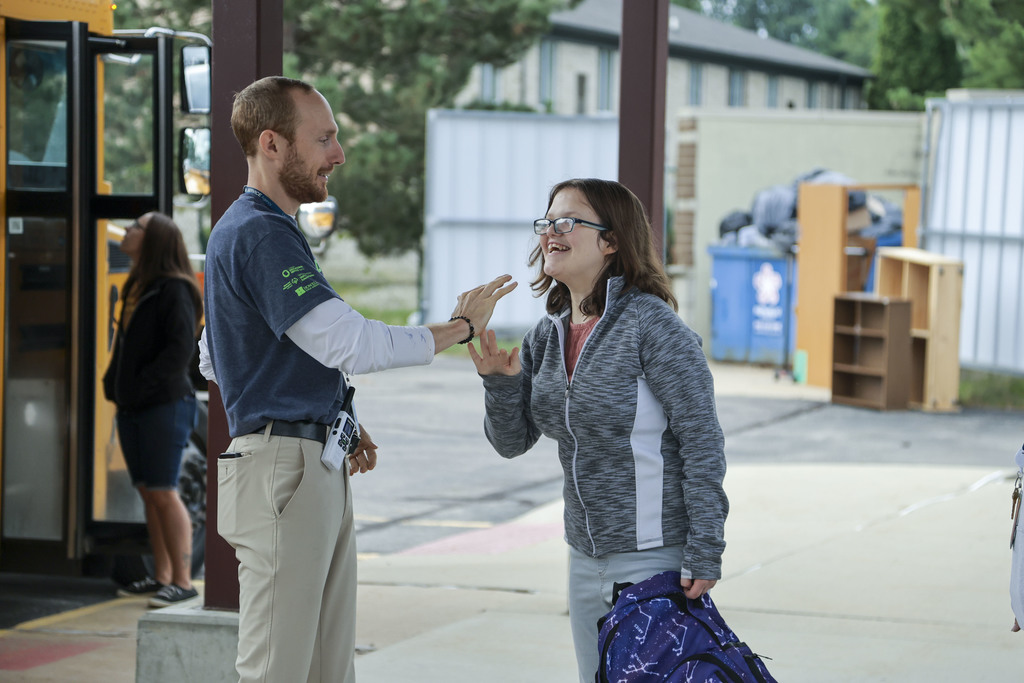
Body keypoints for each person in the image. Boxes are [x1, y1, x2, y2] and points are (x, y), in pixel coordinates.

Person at [198, 75, 515, 683]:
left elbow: (216, 359)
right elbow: (351, 342)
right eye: (324, 139)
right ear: (271, 144)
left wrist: (324, 415)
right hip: (285, 475)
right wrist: (461, 328)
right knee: (279, 670)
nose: (338, 154)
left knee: (314, 668)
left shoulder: (249, 229)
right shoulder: (262, 234)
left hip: (295, 464)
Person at [469, 178, 729, 682]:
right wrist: (500, 385)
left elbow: (702, 441)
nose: (550, 233)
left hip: (655, 556)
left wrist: (706, 546)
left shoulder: (651, 326)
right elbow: (511, 442)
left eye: (567, 222)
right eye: (546, 223)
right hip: (584, 559)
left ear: (611, 241)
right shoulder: (548, 334)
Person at [104, 212, 203, 608]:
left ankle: (183, 580)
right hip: (134, 405)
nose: (126, 231)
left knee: (163, 492)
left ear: (154, 240)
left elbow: (179, 352)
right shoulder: (138, 284)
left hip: (165, 404)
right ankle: (162, 577)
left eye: (135, 227)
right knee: (149, 493)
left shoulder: (173, 289)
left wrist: (140, 386)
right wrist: (115, 384)